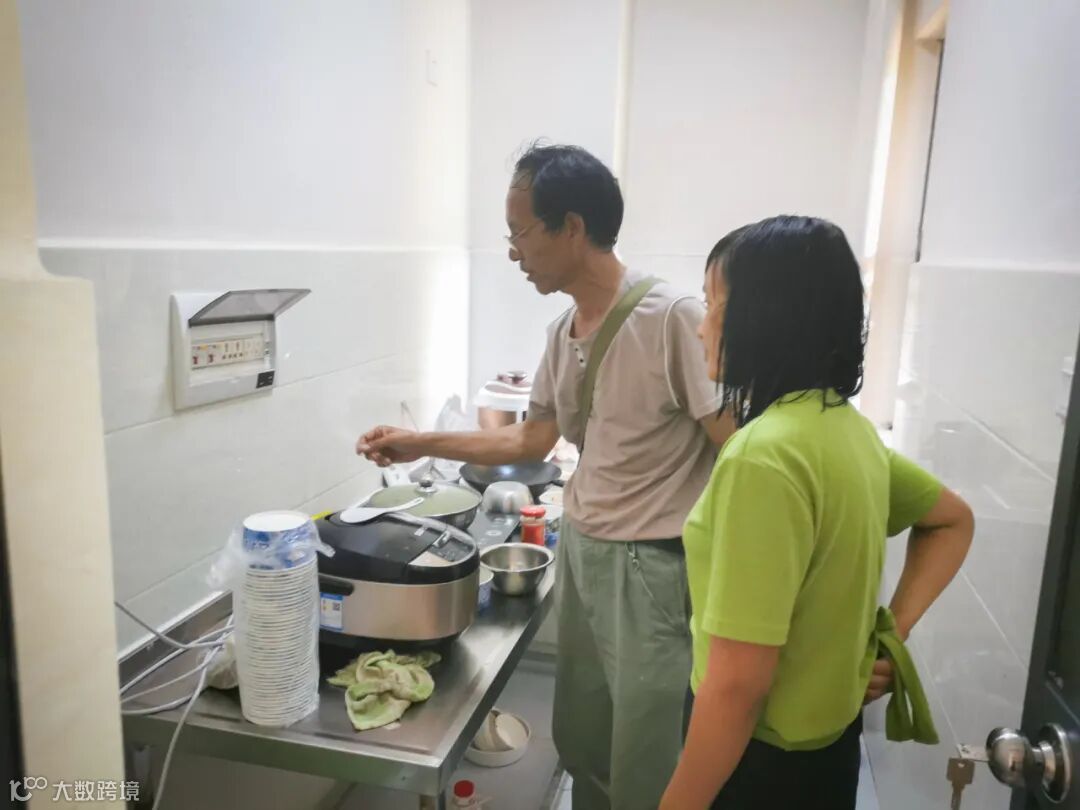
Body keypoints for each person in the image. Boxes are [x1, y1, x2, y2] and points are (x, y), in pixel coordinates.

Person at [357, 144, 732, 809]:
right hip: (584, 552)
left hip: (652, 567)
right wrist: (417, 443)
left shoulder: (672, 317)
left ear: (572, 228)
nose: (513, 252)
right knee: (585, 739)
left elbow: (733, 449)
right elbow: (531, 439)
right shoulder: (564, 331)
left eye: (520, 232)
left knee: (646, 753)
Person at [660, 216, 975, 810]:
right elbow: (953, 520)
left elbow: (737, 686)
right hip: (830, 754)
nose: (701, 328)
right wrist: (892, 635)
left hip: (758, 765)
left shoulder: (762, 456)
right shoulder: (846, 430)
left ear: (765, 317)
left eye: (713, 305)